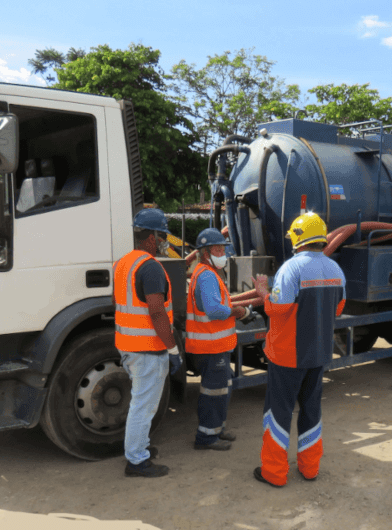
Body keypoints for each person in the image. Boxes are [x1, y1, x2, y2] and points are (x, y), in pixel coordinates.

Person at [252, 211, 346, 487]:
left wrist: (262, 294)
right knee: (311, 411)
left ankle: (274, 473)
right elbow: (338, 308)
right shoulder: (335, 270)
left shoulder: (291, 268)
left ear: (297, 239)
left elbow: (277, 309)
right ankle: (309, 469)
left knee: (278, 413)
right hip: (318, 354)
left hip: (286, 356)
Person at [114, 208, 183, 478]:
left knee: (141, 402)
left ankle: (139, 447)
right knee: (144, 406)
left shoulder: (123, 263)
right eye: (163, 235)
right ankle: (136, 460)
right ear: (152, 237)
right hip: (148, 349)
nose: (165, 240)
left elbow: (118, 303)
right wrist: (173, 348)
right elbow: (156, 312)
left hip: (128, 346)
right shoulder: (151, 267)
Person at [186, 228, 251, 451]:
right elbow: (214, 310)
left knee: (222, 388)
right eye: (218, 249)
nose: (222, 253)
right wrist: (236, 312)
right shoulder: (206, 275)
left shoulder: (208, 273)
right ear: (205, 253)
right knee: (213, 392)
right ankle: (206, 437)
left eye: (223, 248)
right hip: (210, 345)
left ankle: (217, 429)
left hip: (214, 345)